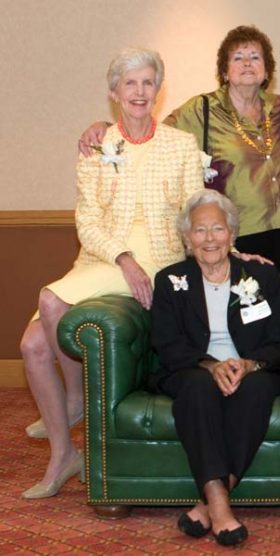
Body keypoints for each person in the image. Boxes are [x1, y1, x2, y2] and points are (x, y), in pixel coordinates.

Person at [19, 48, 203, 498]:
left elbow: (194, 212)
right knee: (31, 345)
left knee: (49, 301)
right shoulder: (98, 145)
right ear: (114, 94)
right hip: (104, 259)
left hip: (157, 260)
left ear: (158, 91)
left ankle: (76, 397)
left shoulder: (180, 145)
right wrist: (122, 257)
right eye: (130, 84)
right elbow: (88, 221)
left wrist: (224, 254)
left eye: (147, 83)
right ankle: (64, 455)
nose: (139, 92)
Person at [80, 26, 280, 270]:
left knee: (278, 303)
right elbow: (151, 132)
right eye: (238, 58)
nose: (247, 63)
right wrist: (106, 127)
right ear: (224, 71)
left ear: (266, 69)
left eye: (255, 57)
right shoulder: (202, 109)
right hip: (229, 235)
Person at [151, 189, 280, 547]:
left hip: (249, 368)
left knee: (257, 387)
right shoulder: (169, 281)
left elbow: (279, 344)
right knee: (198, 388)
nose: (209, 238)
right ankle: (220, 505)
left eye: (218, 229)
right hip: (192, 368)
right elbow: (168, 344)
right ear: (186, 238)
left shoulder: (261, 276)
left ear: (232, 234)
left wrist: (248, 364)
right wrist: (211, 365)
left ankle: (206, 505)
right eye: (200, 230)